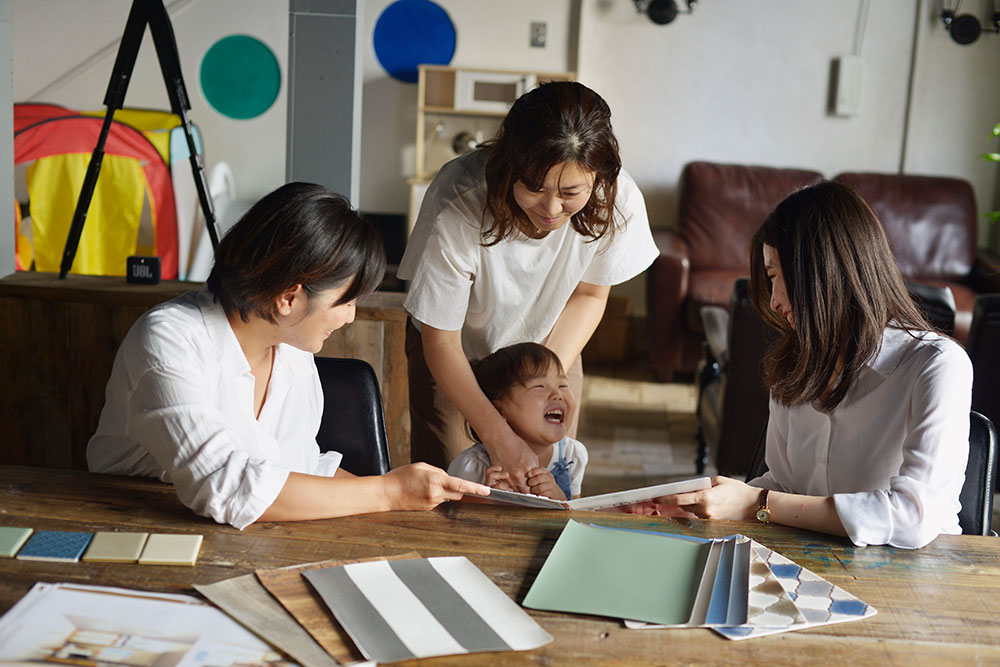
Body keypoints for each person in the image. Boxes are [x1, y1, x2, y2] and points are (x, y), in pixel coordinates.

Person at [87, 182, 488, 529]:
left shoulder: (290, 351)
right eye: (345, 302)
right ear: (289, 298)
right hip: (123, 526)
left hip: (238, 536)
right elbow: (223, 486)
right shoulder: (170, 341)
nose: (350, 317)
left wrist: (417, 499)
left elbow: (299, 467)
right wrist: (389, 491)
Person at [650, 181, 973, 548]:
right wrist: (717, 502)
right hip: (817, 562)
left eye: (775, 277)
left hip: (917, 581)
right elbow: (786, 487)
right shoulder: (795, 366)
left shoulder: (935, 366)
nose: (772, 302)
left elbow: (912, 518)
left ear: (819, 270)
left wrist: (757, 503)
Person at [398, 81, 658, 491]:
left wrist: (538, 385)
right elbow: (441, 341)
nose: (552, 209)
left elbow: (590, 295)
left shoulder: (617, 197)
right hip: (457, 351)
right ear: (507, 164)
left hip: (553, 342)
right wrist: (500, 436)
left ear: (599, 175)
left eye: (571, 192)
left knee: (550, 484)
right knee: (454, 488)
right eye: (534, 188)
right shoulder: (460, 198)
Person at [447, 342, 588, 500]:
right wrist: (487, 502)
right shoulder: (473, 466)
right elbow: (454, 519)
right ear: (499, 411)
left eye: (562, 385)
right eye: (539, 386)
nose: (557, 394)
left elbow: (576, 516)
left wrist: (558, 498)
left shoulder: (572, 454)